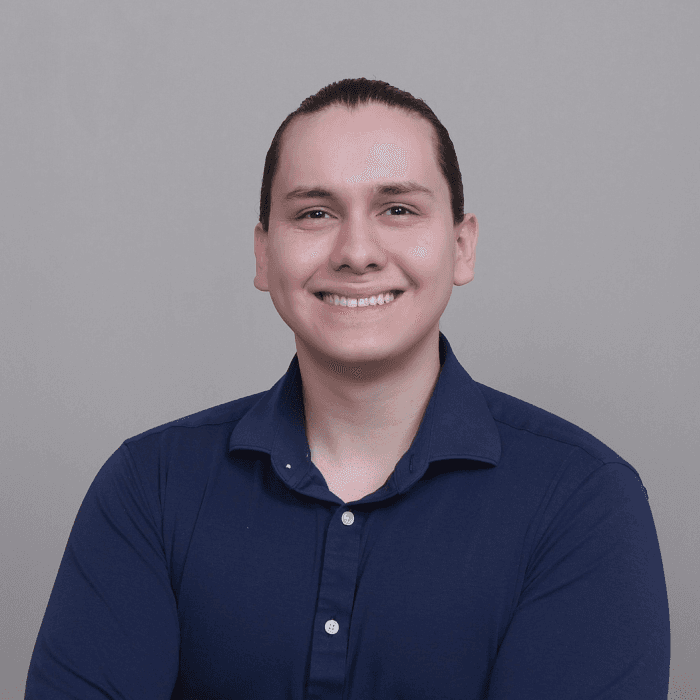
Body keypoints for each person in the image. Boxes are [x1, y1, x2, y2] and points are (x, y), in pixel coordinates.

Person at [25, 78, 670, 699]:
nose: (357, 252)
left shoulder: (583, 499)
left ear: (461, 246)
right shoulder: (152, 485)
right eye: (315, 212)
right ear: (263, 255)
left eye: (398, 209)